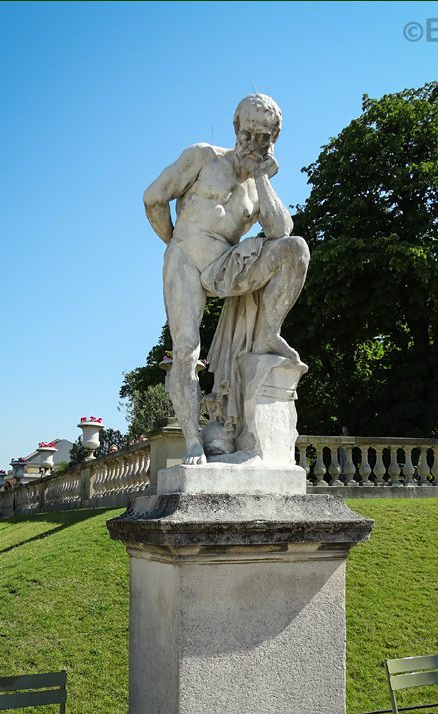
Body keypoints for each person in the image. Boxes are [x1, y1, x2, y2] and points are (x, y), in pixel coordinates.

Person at [144, 93, 309, 464]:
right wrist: (175, 243)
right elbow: (153, 198)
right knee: (186, 350)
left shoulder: (257, 187)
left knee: (295, 250)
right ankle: (192, 442)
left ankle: (268, 331)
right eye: (248, 134)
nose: (253, 144)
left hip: (227, 267)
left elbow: (281, 229)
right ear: (236, 129)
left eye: (264, 138)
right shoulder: (203, 157)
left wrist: (263, 177)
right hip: (186, 258)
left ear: (273, 140)